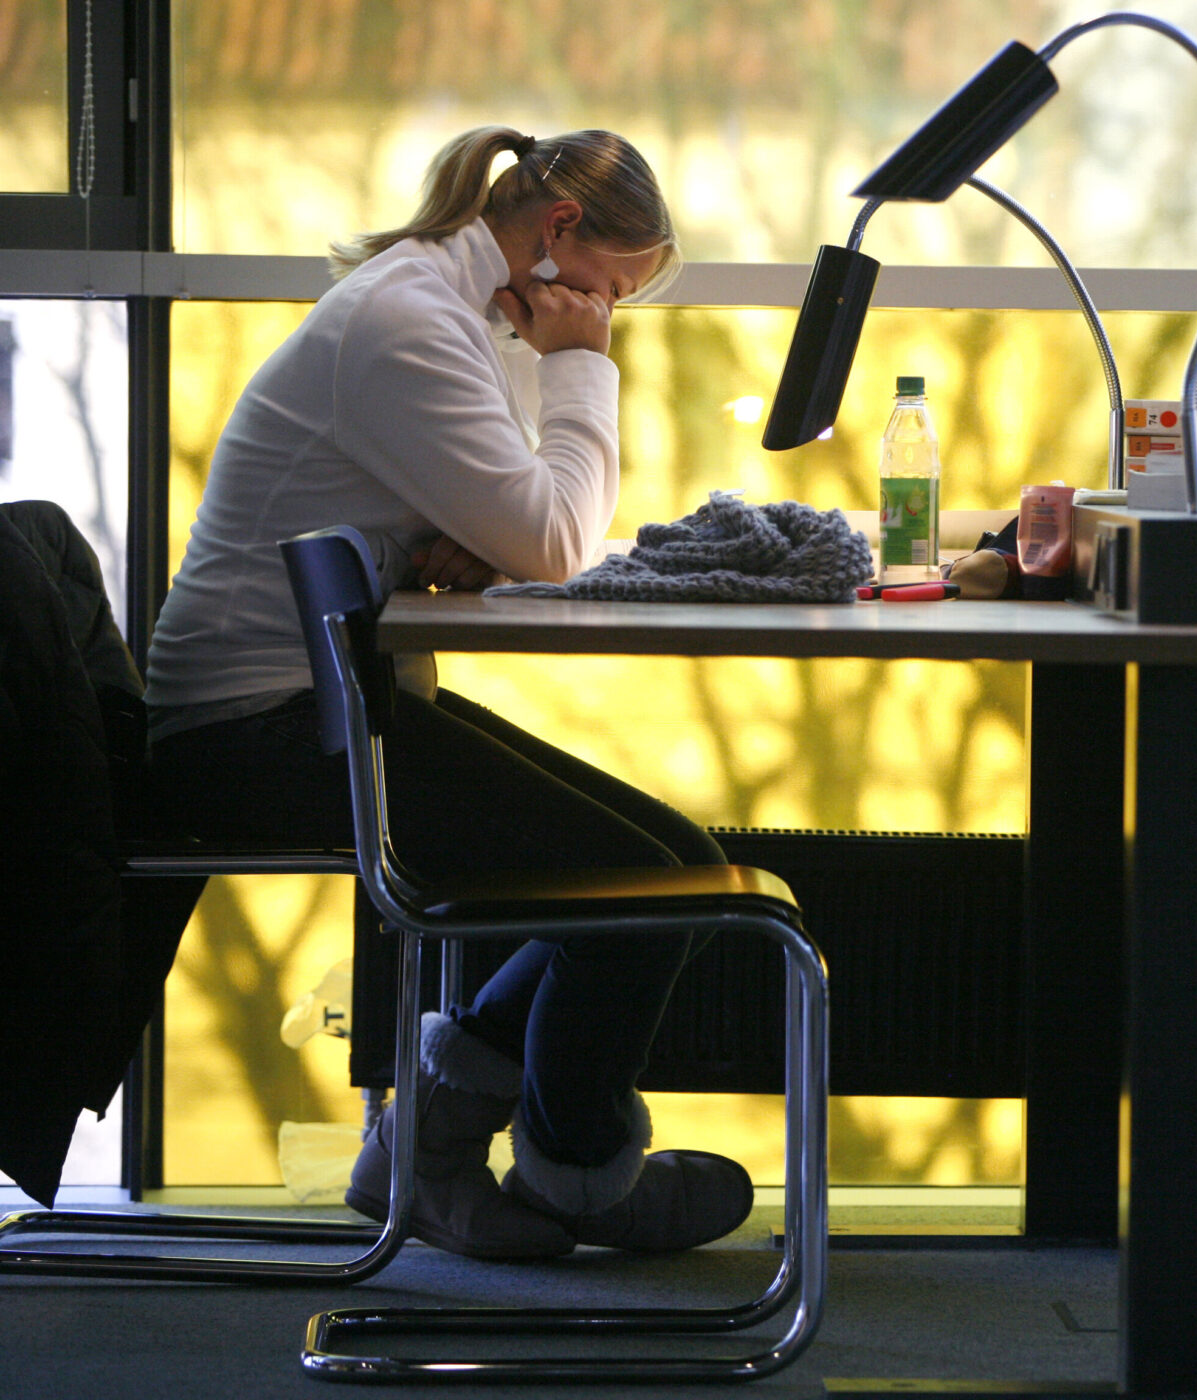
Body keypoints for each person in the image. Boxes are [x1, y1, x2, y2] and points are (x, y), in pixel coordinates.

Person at [145, 126, 750, 1261]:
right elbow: (560, 534)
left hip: (323, 705)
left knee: (684, 863)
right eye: (609, 292)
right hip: (252, 733)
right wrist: (580, 367)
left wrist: (468, 532)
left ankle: (424, 1146)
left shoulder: (445, 306)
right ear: (560, 233)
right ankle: (579, 1177)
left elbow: (515, 517)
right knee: (659, 887)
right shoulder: (408, 320)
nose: (603, 315)